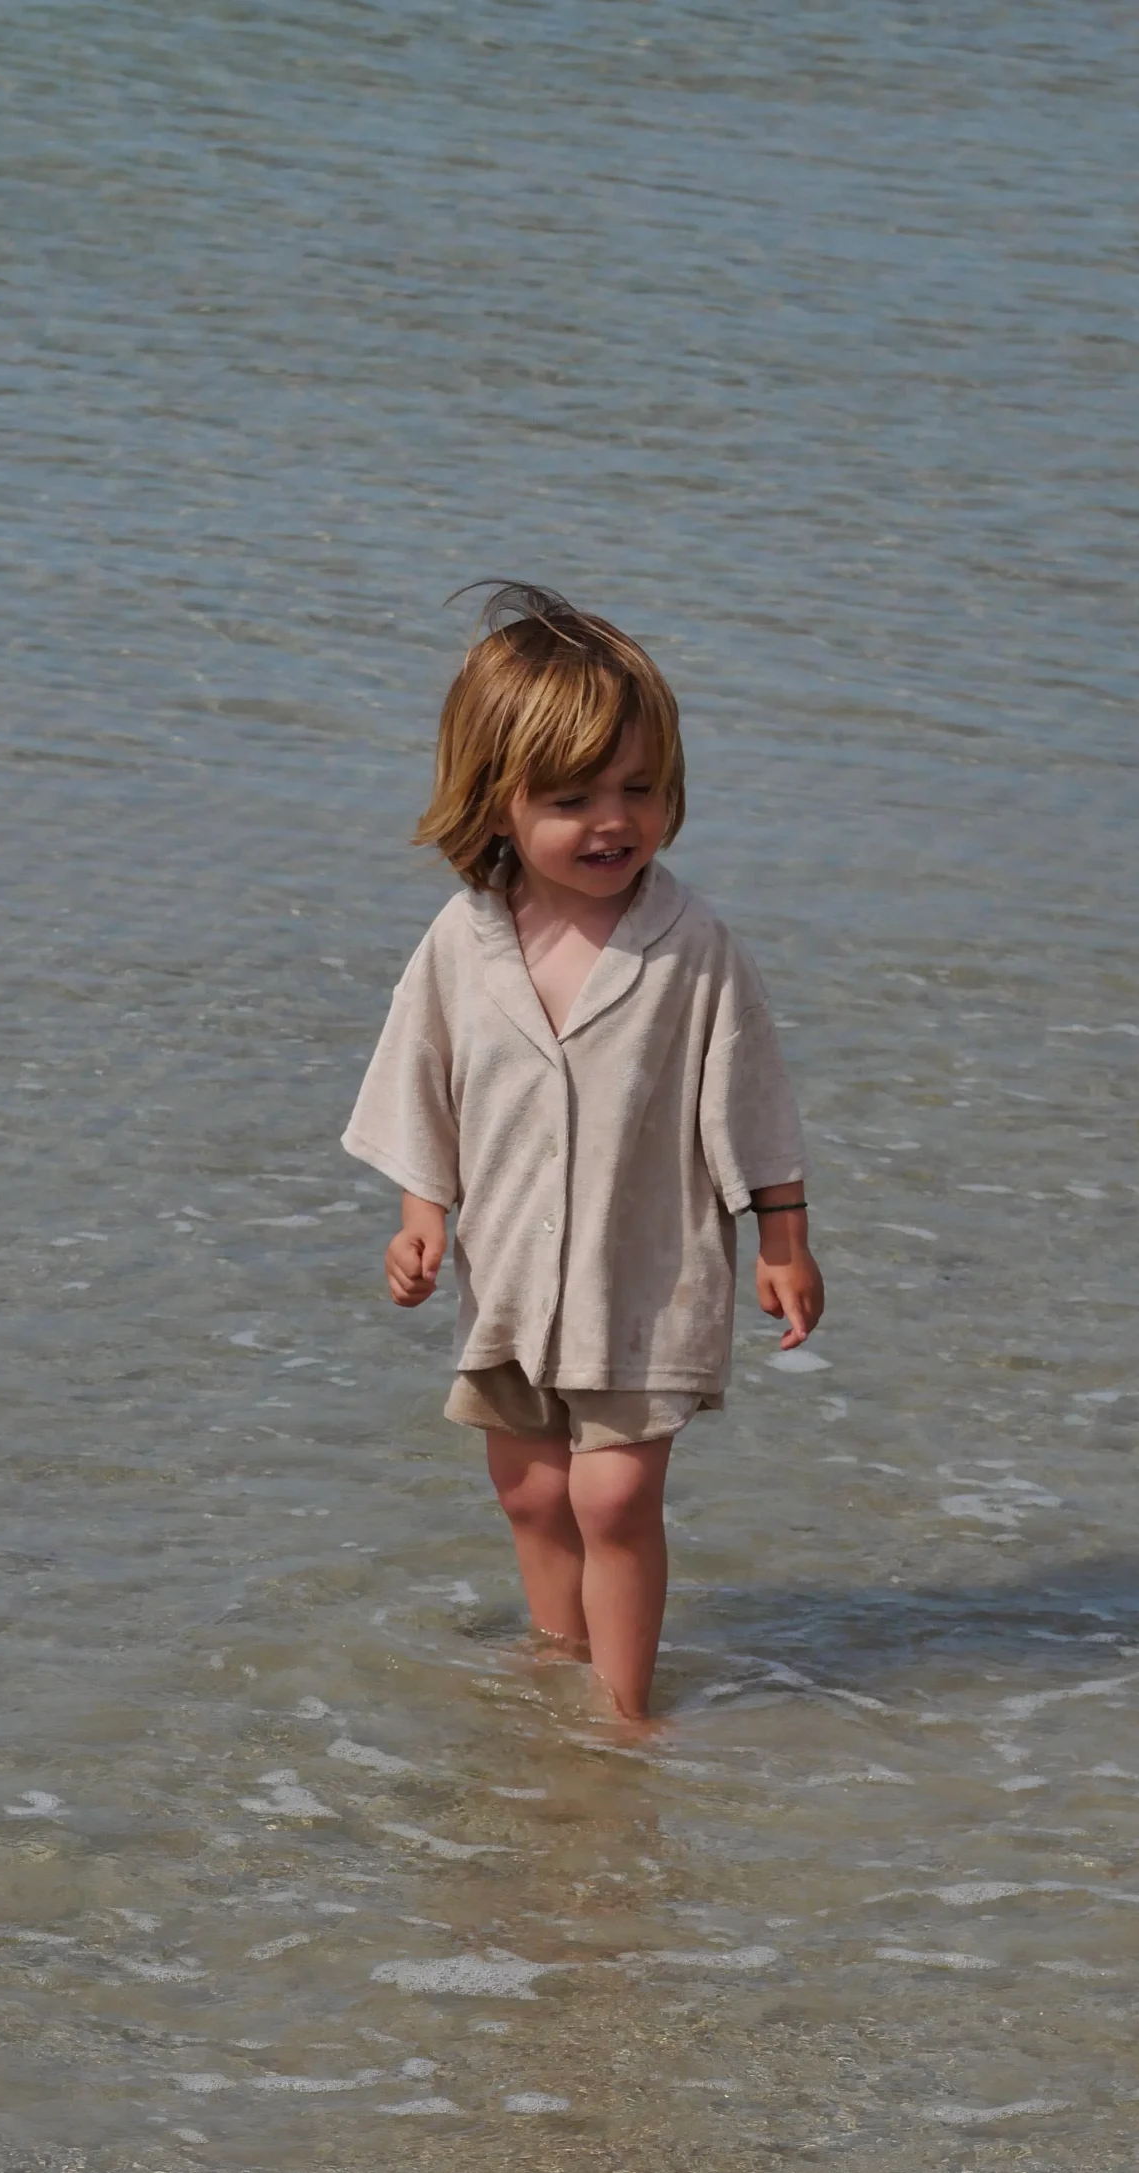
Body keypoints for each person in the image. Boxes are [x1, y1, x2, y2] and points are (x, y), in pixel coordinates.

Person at [341, 586, 824, 1721]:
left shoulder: (691, 944)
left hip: (643, 1276)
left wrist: (784, 1238)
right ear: (495, 802)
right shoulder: (463, 941)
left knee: (612, 1499)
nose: (613, 822)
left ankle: (623, 1714)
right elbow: (424, 1082)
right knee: (528, 1490)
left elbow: (754, 1096)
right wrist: (420, 1218)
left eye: (639, 789)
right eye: (572, 799)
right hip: (511, 1272)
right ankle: (554, 1658)